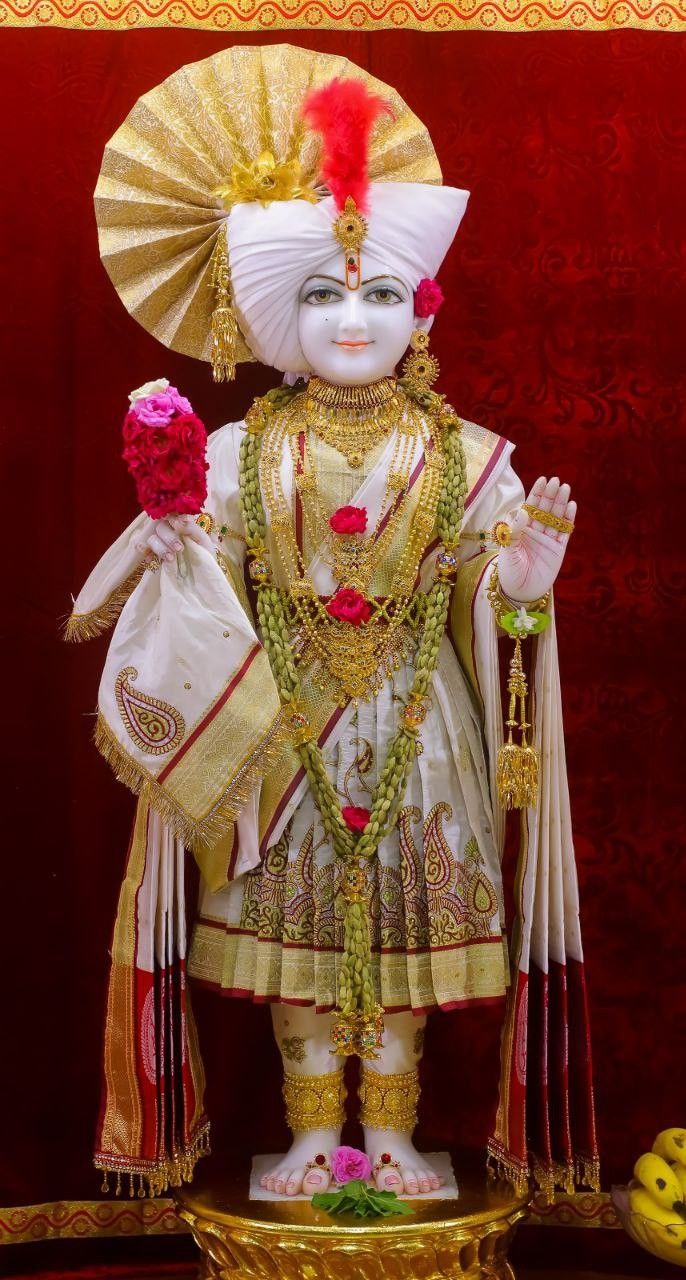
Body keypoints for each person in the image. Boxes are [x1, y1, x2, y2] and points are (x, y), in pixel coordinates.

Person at [69, 44, 598, 1203]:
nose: (351, 319)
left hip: (425, 729)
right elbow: (198, 596)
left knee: (405, 931)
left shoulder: (469, 460)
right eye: (321, 294)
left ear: (419, 311)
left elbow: (488, 605)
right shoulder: (236, 452)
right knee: (297, 938)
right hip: (281, 729)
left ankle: (391, 1136)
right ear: (271, 317)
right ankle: (314, 1136)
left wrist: (518, 582)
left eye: (376, 293)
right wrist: (172, 545)